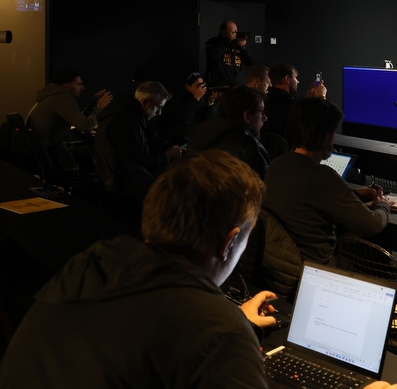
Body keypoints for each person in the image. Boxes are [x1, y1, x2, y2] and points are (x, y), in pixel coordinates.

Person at [0, 150, 272, 388]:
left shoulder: (84, 271)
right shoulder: (220, 334)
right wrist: (230, 329)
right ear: (230, 241)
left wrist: (230, 322)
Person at [263, 98, 391, 265]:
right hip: (317, 267)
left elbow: (310, 200)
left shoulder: (276, 165)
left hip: (281, 263)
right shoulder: (322, 176)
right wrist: (383, 204)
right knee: (379, 243)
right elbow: (372, 224)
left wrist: (355, 195)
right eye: (333, 132)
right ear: (324, 137)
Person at [94, 81, 183, 219]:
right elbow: (137, 162)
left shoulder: (129, 115)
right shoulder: (126, 121)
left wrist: (166, 146)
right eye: (157, 107)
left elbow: (145, 144)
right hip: (123, 191)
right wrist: (166, 156)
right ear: (145, 102)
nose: (159, 112)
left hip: (115, 185)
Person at [187, 86, 271, 178]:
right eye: (262, 112)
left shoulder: (199, 134)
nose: (265, 118)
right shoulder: (248, 149)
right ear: (247, 116)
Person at [26, 68, 112, 148]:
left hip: (40, 148)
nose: (83, 87)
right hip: (47, 151)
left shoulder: (55, 96)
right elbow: (86, 127)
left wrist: (93, 103)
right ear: (67, 86)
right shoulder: (62, 98)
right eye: (79, 84)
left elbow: (78, 121)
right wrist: (100, 107)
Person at [263, 62, 326, 139]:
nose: (298, 81)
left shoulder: (264, 100)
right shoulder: (292, 105)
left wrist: (307, 100)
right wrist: (321, 97)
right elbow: (319, 124)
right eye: (295, 78)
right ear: (287, 79)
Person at [155, 71, 216, 145]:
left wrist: (210, 101)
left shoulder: (200, 99)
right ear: (187, 86)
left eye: (202, 85)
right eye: (198, 86)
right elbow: (181, 118)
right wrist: (196, 98)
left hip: (195, 139)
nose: (201, 88)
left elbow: (208, 120)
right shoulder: (175, 99)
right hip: (178, 142)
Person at [205, 20, 252, 88]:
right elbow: (213, 56)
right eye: (233, 32)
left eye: (236, 31)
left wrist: (244, 47)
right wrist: (228, 40)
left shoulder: (237, 44)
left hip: (238, 86)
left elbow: (250, 62)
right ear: (223, 32)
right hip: (220, 86)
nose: (235, 34)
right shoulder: (213, 42)